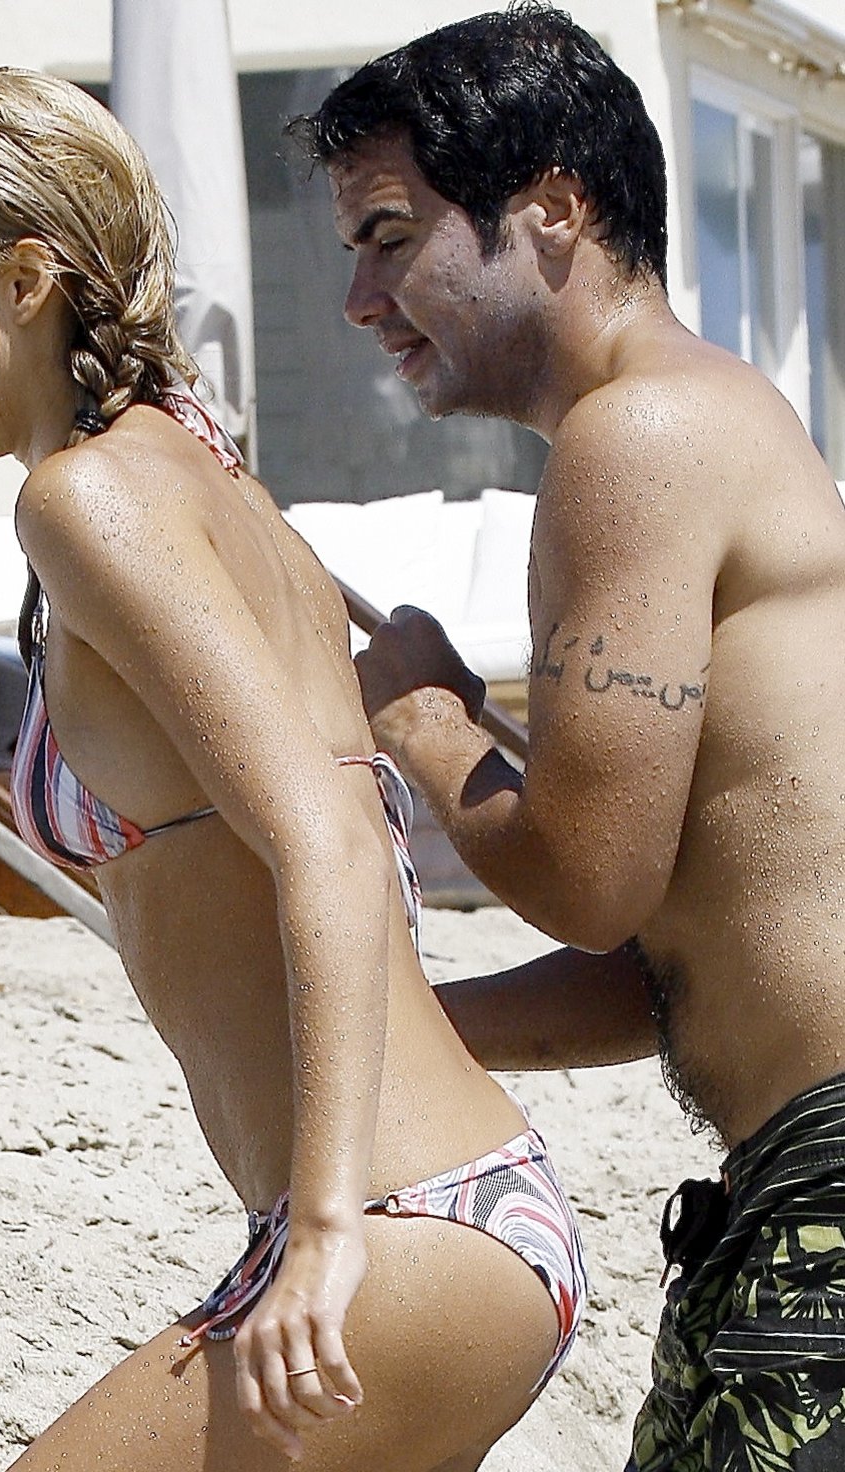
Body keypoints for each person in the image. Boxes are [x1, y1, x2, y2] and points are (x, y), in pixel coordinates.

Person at [0, 67, 587, 1472]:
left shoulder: (87, 498)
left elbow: (329, 841)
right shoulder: (203, 468)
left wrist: (326, 1232)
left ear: (24, 282)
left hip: (390, 1226)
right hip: (456, 1211)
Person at [293, 3, 845, 1468]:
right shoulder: (709, 419)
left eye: (391, 235)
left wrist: (422, 719)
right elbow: (671, 958)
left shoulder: (637, 438)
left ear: (551, 210)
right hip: (790, 1190)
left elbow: (587, 878)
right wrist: (399, 1036)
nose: (358, 298)